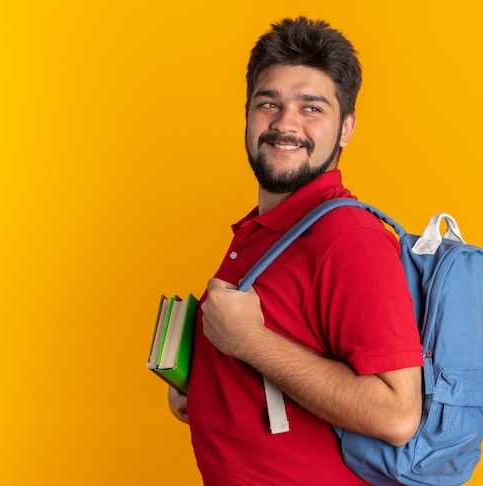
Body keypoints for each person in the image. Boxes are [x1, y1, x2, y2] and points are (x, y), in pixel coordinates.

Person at [168, 16, 424, 485]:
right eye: (270, 103)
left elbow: (396, 415)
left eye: (311, 108)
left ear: (345, 128)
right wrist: (205, 382)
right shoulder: (266, 229)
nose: (285, 123)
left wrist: (249, 342)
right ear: (247, 113)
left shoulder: (349, 238)